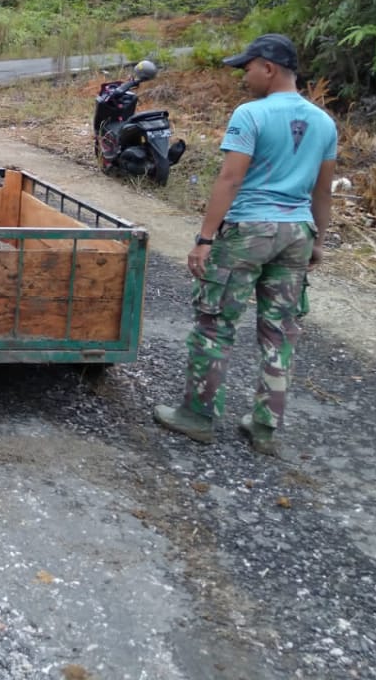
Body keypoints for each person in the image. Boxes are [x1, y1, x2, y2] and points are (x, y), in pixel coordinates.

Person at [153, 33, 338, 455]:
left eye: (247, 68)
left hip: (249, 231)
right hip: (296, 234)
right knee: (280, 331)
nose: (244, 76)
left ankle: (197, 416)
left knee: (215, 324)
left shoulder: (251, 114)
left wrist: (204, 239)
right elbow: (322, 192)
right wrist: (319, 242)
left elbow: (231, 179)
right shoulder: (325, 123)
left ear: (269, 68)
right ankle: (264, 428)